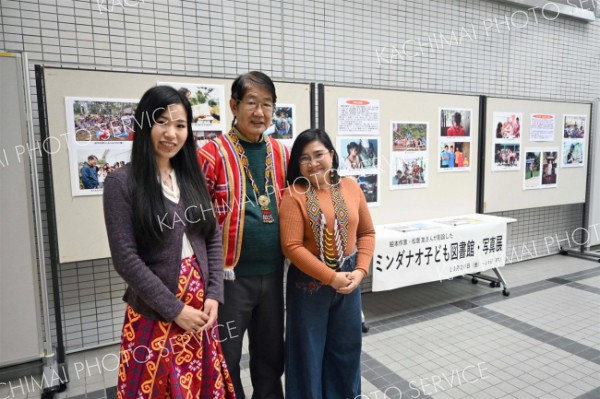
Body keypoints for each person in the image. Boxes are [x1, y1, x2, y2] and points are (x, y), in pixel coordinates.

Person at [103, 86, 235, 399]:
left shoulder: (192, 177)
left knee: (200, 388)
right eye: (162, 122)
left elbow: (212, 236)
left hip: (200, 315)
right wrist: (175, 309)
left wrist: (214, 293)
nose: (171, 134)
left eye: (180, 125)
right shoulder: (121, 183)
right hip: (155, 313)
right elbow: (126, 259)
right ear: (144, 124)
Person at [197, 71, 289, 399]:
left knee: (269, 357)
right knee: (226, 357)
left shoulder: (281, 153)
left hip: (274, 273)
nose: (260, 112)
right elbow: (196, 225)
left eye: (267, 104)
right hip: (229, 280)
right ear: (235, 105)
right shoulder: (210, 154)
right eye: (252, 102)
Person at [279, 128, 375, 399]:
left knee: (346, 350)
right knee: (306, 355)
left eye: (319, 154)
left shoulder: (351, 186)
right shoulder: (293, 195)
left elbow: (367, 233)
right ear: (297, 164)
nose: (313, 163)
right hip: (308, 286)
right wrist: (330, 277)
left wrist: (360, 270)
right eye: (304, 158)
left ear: (332, 155)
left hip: (349, 280)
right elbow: (291, 247)